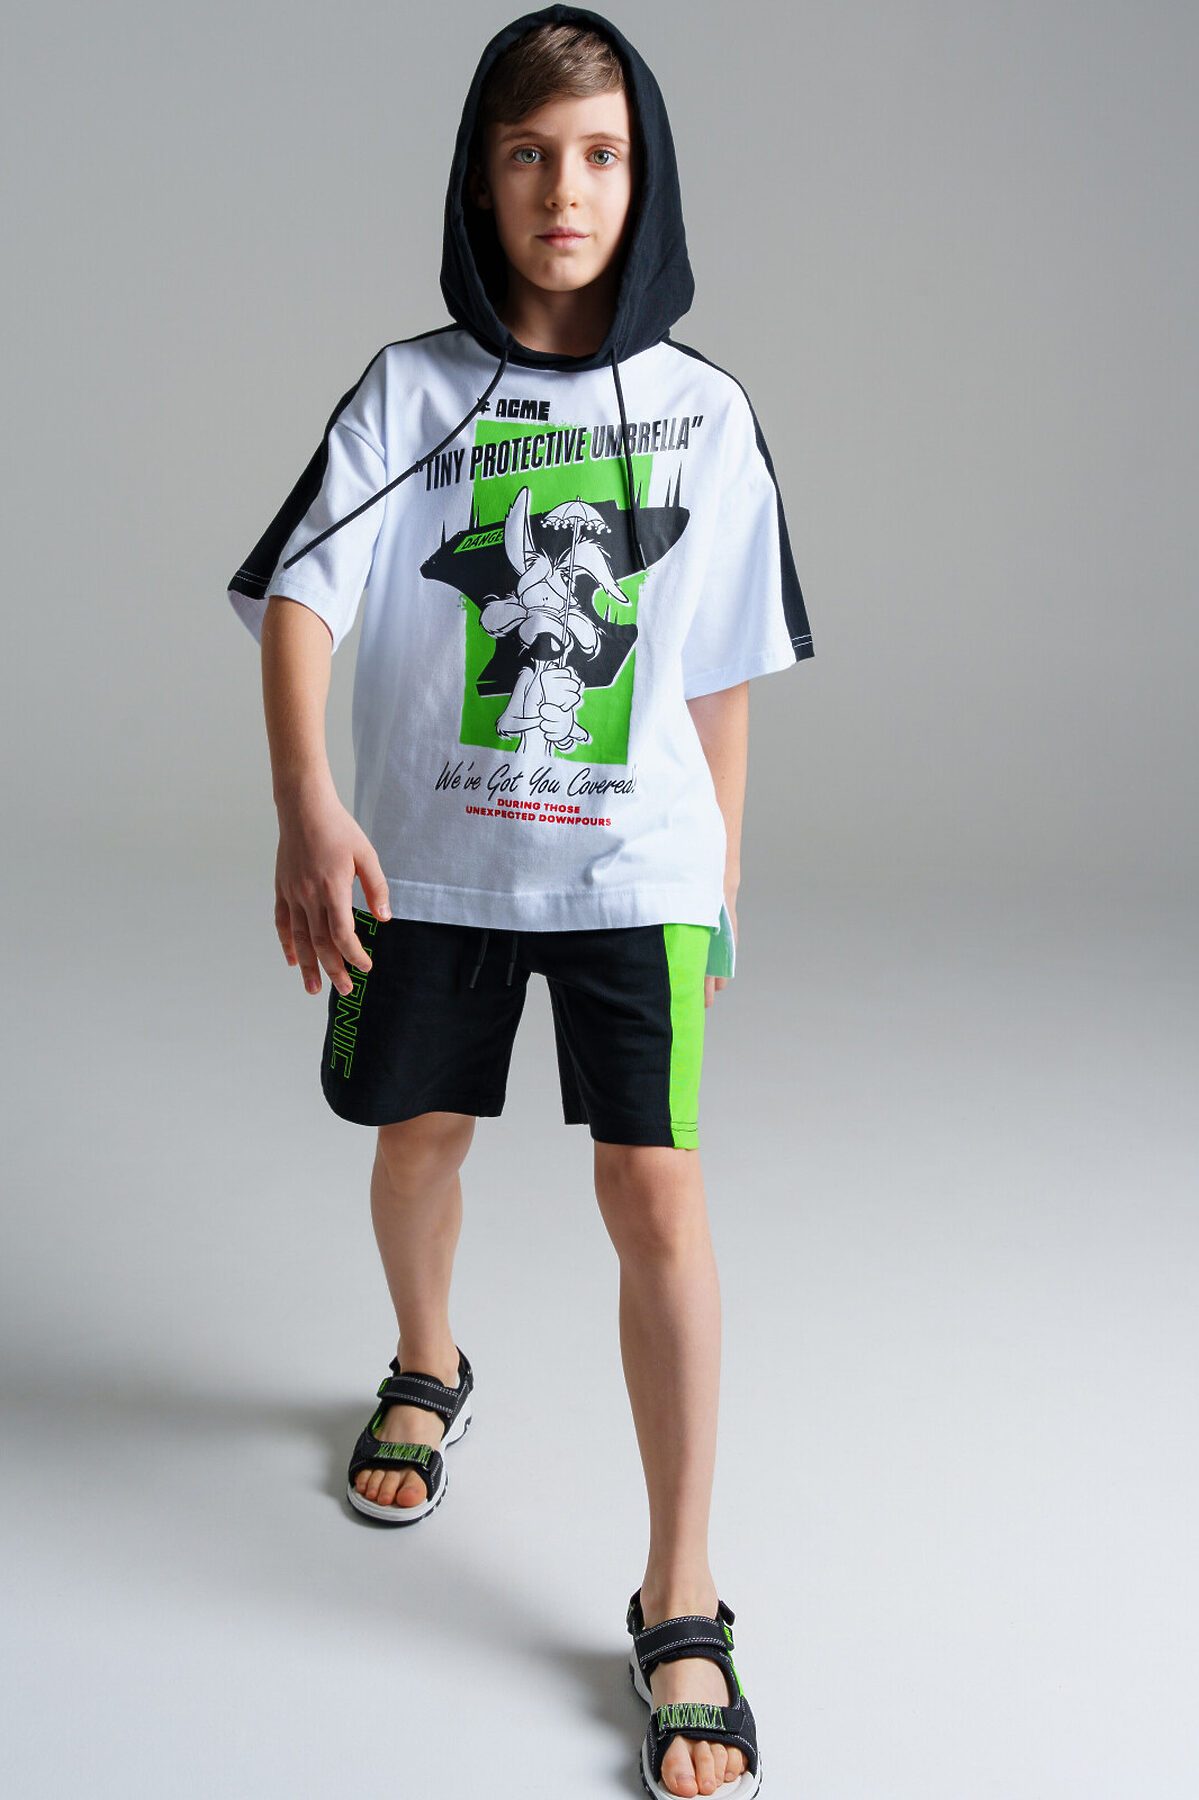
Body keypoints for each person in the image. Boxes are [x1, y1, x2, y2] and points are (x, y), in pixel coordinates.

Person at [226, 7, 812, 1795]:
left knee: (658, 1194)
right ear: (481, 182)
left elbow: (718, 667)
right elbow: (304, 598)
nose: (568, 190)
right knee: (418, 1139)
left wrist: (718, 875)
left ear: (648, 180)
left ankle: (682, 1586)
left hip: (633, 874)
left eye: (602, 155)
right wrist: (307, 802)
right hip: (432, 862)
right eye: (531, 154)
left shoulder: (704, 414)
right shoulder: (411, 397)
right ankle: (427, 1362)